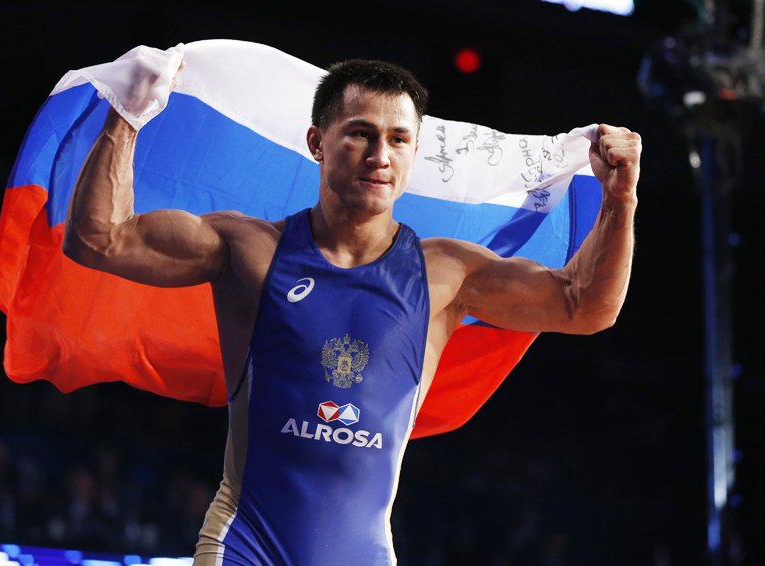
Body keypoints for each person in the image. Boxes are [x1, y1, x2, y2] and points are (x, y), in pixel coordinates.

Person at [62, 57, 640, 565]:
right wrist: (127, 114)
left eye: (398, 139)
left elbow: (585, 305)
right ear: (317, 142)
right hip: (245, 546)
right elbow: (98, 239)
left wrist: (619, 199)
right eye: (361, 134)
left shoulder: (446, 273)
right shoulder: (249, 249)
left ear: (414, 152)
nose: (379, 156)